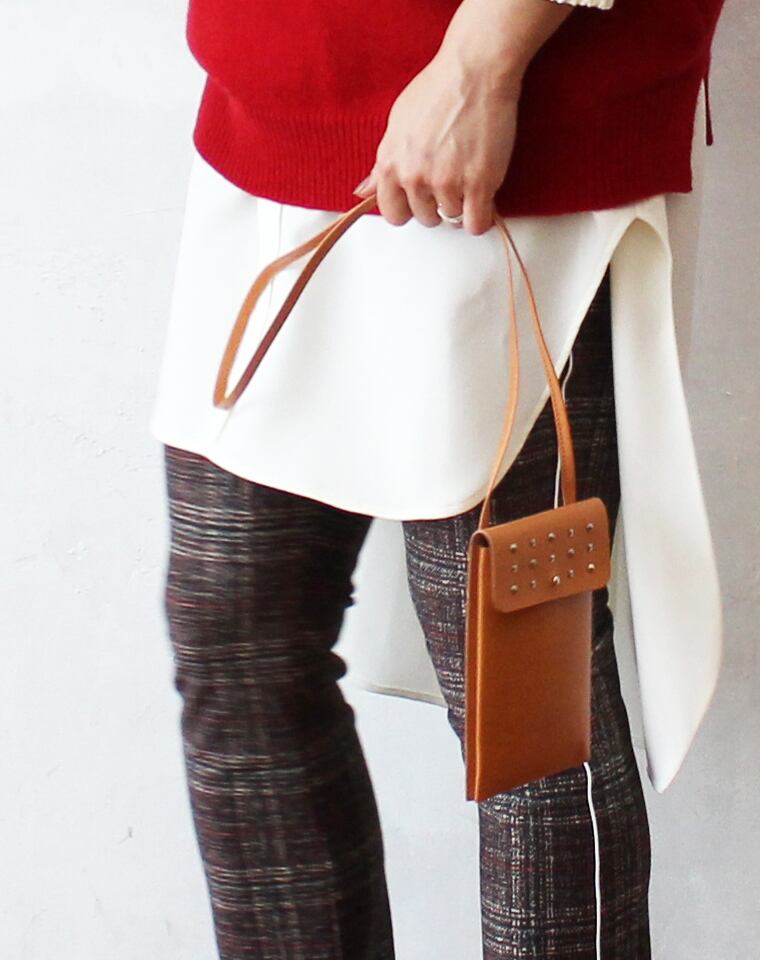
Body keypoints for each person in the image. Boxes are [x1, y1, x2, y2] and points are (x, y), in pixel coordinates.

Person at [149, 0, 727, 957]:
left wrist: (479, 64)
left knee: (524, 707)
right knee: (236, 631)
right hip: (274, 96)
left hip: (509, 133)